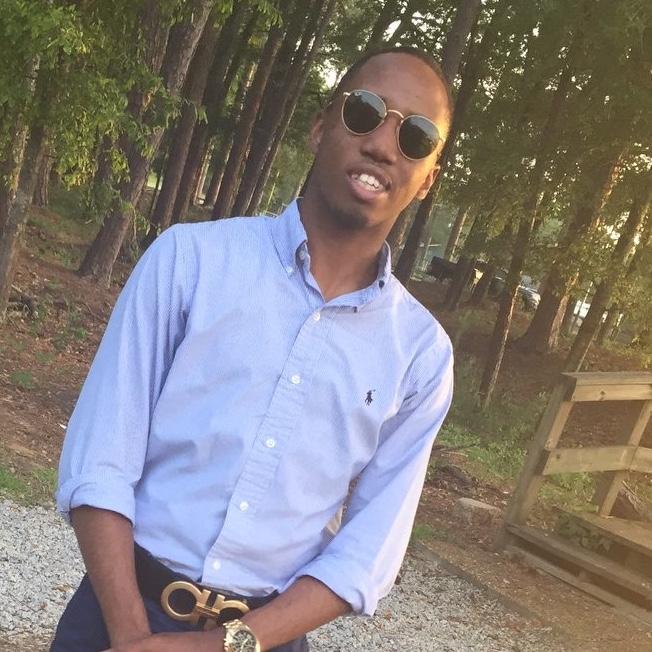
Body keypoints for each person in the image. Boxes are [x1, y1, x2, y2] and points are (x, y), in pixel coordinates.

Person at [51, 45, 454, 652]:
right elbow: (100, 460)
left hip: (264, 638)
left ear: (428, 180)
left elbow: (368, 550)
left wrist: (221, 646)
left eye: (416, 136)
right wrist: (133, 636)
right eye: (366, 111)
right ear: (321, 126)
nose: (382, 145)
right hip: (117, 617)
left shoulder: (421, 356)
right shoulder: (188, 261)